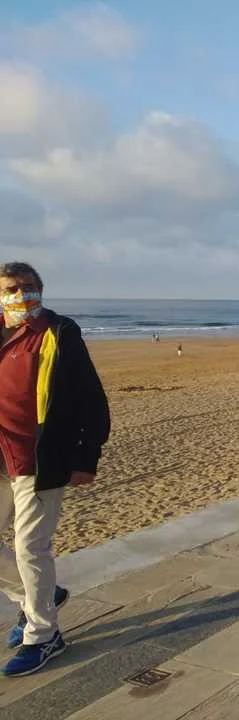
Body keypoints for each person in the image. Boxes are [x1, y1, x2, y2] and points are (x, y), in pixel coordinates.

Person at [0, 262, 110, 677]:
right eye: (11, 289)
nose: (20, 294)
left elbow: (91, 398)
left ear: (41, 290)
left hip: (40, 459)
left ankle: (44, 635)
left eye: (28, 287)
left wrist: (86, 458)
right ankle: (38, 598)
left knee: (31, 548)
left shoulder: (60, 332)